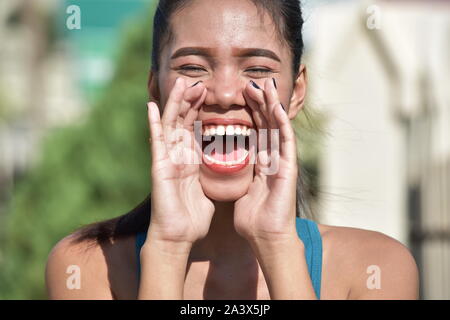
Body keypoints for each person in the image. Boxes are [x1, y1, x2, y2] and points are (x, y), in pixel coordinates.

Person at [45, 0, 419, 300]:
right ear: (155, 89)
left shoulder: (375, 268)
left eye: (256, 69)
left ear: (297, 91)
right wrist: (168, 249)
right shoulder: (89, 267)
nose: (224, 95)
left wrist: (277, 246)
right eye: (192, 67)